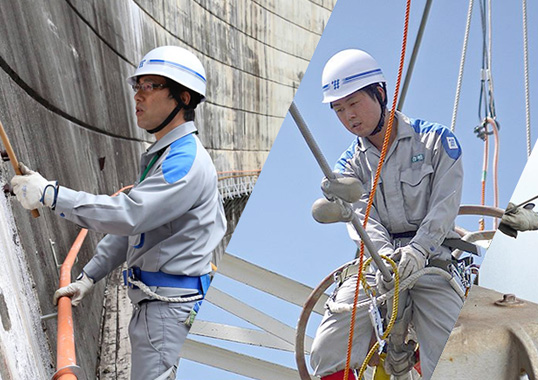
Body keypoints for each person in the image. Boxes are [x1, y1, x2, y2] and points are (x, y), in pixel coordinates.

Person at [11, 45, 226, 380]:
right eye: (136, 86)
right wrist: (88, 277)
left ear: (182, 98)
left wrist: (52, 195)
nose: (138, 96)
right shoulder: (166, 153)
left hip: (168, 313)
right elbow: (135, 232)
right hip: (158, 306)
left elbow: (130, 215)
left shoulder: (185, 162)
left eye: (149, 86)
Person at [309, 49, 465, 380]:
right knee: (329, 345)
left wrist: (420, 249)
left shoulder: (435, 140)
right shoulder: (348, 168)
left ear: (379, 93)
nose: (348, 115)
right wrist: (383, 258)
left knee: (456, 356)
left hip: (433, 261)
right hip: (378, 265)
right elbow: (362, 218)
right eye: (338, 109)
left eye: (353, 103)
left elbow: (445, 204)